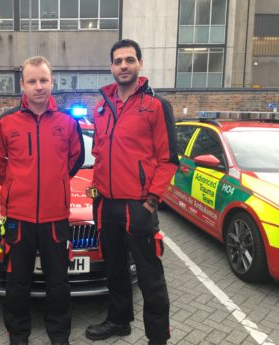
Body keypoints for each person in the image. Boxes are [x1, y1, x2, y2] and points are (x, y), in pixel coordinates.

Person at [85, 39, 179, 345]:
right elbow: (99, 152)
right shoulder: (101, 106)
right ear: (111, 66)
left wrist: (152, 202)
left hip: (139, 207)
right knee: (115, 271)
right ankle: (119, 321)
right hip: (107, 206)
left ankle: (157, 338)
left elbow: (168, 160)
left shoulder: (155, 106)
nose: (123, 66)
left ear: (140, 64)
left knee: (151, 279)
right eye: (117, 61)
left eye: (129, 60)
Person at [0, 56, 84, 345]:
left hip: (55, 217)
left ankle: (59, 335)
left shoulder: (68, 122)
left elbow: (76, 159)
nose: (38, 86)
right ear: (23, 85)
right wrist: (18, 186)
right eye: (32, 81)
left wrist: (55, 182)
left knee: (58, 283)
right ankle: (18, 335)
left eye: (44, 80)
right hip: (19, 217)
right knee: (17, 283)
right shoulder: (7, 121)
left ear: (52, 82)